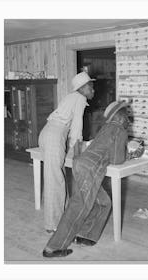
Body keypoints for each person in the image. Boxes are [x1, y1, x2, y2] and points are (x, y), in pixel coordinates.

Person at [42, 101, 130, 258]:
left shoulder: (107, 128)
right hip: (90, 170)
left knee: (104, 203)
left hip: (81, 164)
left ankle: (86, 235)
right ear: (120, 117)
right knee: (77, 207)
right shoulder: (119, 130)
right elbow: (117, 159)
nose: (128, 119)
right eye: (126, 115)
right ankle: (53, 247)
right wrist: (129, 154)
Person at [38, 72, 95, 233]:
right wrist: (77, 155)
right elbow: (76, 128)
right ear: (83, 88)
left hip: (48, 133)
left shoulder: (71, 97)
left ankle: (60, 218)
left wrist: (73, 149)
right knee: (55, 180)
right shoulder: (80, 98)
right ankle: (53, 225)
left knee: (57, 177)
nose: (93, 90)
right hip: (54, 137)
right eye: (91, 87)